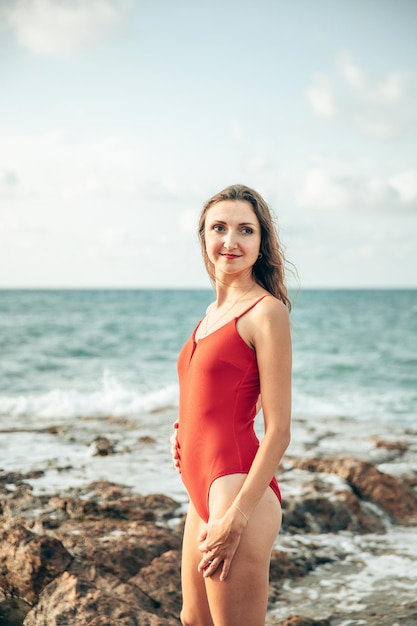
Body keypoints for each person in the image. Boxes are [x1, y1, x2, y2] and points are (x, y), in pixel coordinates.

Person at [170, 184, 292, 626]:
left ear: (261, 244)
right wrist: (181, 430)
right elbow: (212, 397)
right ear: (203, 237)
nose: (231, 240)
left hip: (237, 490)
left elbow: (279, 430)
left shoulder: (265, 311)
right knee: (193, 620)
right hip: (199, 490)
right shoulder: (209, 313)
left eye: (246, 230)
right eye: (219, 228)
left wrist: (237, 517)